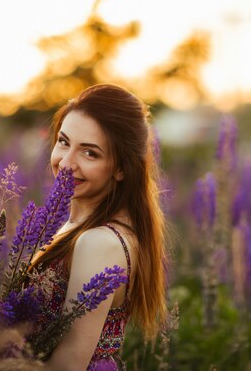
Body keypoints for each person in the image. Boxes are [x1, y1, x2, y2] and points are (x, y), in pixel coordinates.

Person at [29, 84, 168, 371]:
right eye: (64, 142)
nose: (66, 164)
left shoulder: (99, 242)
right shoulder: (77, 227)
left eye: (90, 153)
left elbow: (69, 362)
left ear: (121, 169)